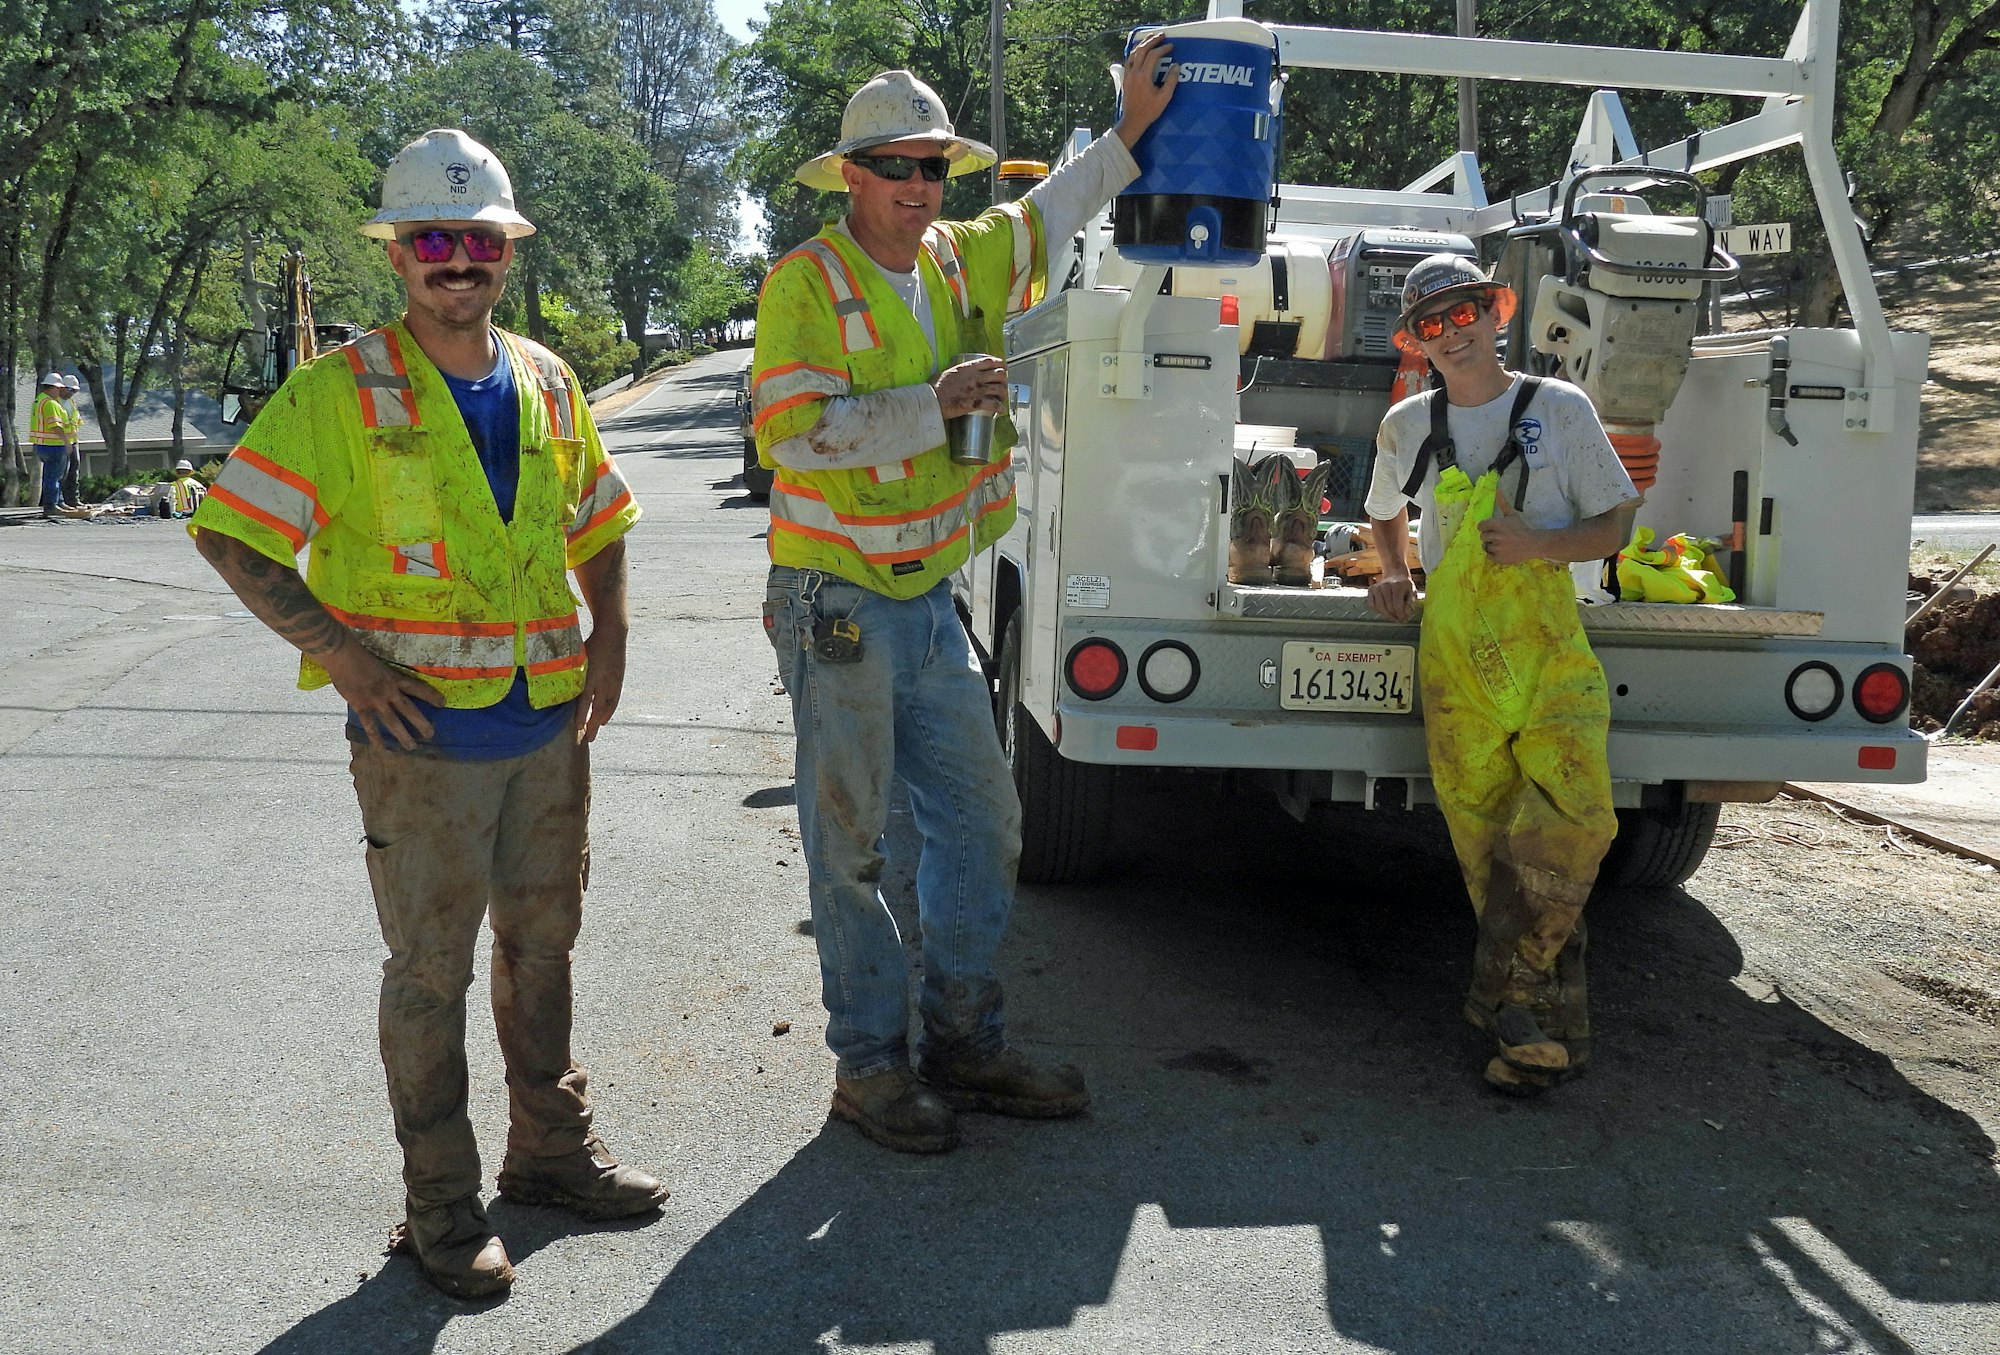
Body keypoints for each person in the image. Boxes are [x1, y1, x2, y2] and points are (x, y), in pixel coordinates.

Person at [190, 127, 664, 1300]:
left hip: (546, 725)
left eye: (479, 241)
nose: (459, 262)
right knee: (429, 974)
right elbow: (230, 529)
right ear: (398, 258)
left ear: (507, 253)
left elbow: (597, 516)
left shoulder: (548, 378)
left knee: (543, 946)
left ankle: (549, 1153)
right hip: (422, 749)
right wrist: (344, 659)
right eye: (433, 242)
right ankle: (442, 1208)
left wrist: (607, 635)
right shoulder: (337, 392)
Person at [750, 38, 1179, 1153]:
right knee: (847, 845)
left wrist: (1128, 126)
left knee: (984, 824)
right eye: (894, 165)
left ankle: (963, 1040)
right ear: (849, 174)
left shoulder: (959, 257)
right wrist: (932, 407)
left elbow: (1059, 210)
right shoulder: (805, 283)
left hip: (929, 600)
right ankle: (869, 1064)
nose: (916, 186)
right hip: (834, 599)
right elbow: (792, 431)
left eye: (933, 166)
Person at [1361, 254, 1641, 1096]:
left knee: (1577, 823)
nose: (1453, 334)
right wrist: (1393, 570)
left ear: (1496, 313)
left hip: (1550, 653)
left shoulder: (1558, 409)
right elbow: (1382, 512)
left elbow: (1617, 521)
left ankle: (1500, 1000)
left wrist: (1538, 547)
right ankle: (1546, 1034)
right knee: (1489, 852)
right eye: (1432, 324)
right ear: (1416, 341)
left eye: (1465, 314)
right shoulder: (1408, 425)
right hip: (1457, 667)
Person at [29, 373, 70, 519]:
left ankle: (58, 502)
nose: (60, 391)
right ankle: (51, 506)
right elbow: (55, 426)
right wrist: (66, 442)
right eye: (59, 388)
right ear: (53, 387)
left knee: (51, 476)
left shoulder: (39, 400)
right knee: (54, 477)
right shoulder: (50, 403)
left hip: (42, 445)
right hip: (54, 445)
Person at [59, 374, 85, 509]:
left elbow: (76, 420)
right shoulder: (55, 402)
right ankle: (61, 501)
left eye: (75, 391)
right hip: (59, 442)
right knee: (62, 472)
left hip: (73, 441)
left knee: (74, 470)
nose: (72, 393)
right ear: (62, 388)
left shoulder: (71, 403)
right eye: (71, 390)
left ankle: (73, 499)